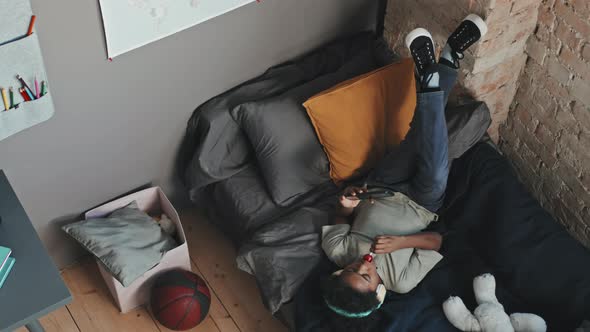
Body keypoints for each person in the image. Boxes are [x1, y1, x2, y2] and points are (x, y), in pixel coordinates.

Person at [320, 14, 489, 331]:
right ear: (379, 290)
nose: (361, 265)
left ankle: (448, 59)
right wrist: (401, 243)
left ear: (339, 271)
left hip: (382, 186)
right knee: (436, 168)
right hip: (423, 203)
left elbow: (339, 217)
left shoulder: (337, 251)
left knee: (419, 137)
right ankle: (439, 67)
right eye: (366, 276)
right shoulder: (402, 282)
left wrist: (346, 201)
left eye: (351, 270)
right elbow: (435, 242)